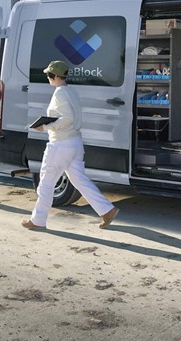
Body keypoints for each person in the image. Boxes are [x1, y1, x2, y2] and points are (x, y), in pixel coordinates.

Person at [22, 60, 119, 231]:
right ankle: (107, 210)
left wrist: (45, 127)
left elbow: (67, 119)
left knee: (46, 182)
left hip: (61, 143)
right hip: (75, 143)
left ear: (57, 76)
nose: (48, 78)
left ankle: (38, 220)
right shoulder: (71, 91)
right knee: (80, 180)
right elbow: (70, 118)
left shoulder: (60, 93)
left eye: (50, 75)